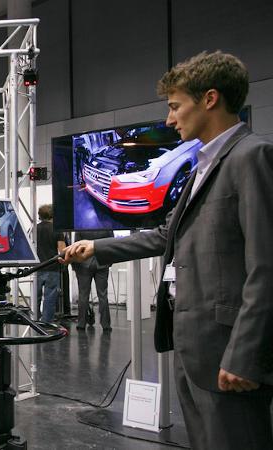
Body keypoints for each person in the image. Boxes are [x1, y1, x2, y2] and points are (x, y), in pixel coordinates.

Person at [61, 51, 273, 449]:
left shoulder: (251, 157)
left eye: (175, 106)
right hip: (193, 349)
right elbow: (164, 235)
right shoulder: (202, 167)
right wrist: (97, 247)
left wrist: (246, 354)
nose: (170, 119)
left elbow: (267, 267)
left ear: (210, 99)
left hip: (228, 353)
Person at [72, 230, 114, 331]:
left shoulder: (81, 226)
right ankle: (106, 325)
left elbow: (77, 247)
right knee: (103, 295)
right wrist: (109, 261)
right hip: (102, 262)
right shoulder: (107, 225)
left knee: (83, 295)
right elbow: (111, 244)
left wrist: (75, 265)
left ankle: (81, 323)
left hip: (84, 264)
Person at [35, 204, 65, 322]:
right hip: (52, 267)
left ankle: (34, 320)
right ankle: (46, 323)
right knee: (50, 298)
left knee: (35, 297)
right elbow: (62, 251)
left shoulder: (34, 229)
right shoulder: (57, 229)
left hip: (36, 267)